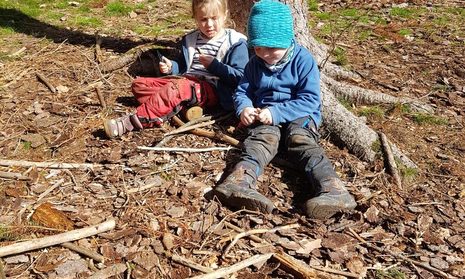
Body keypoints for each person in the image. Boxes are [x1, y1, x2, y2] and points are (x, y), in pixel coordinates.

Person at [212, 0, 357, 219]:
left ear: (287, 40)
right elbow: (242, 91)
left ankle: (333, 189)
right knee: (261, 141)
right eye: (258, 47)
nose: (264, 54)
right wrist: (245, 107)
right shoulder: (254, 63)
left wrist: (277, 113)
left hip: (300, 115)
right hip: (265, 115)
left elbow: (309, 100)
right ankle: (239, 182)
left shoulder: (303, 61)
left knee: (301, 141)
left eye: (271, 48)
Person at [104, 0, 249, 138]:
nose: (209, 24)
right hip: (185, 82)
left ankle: (133, 121)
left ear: (225, 15)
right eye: (203, 19)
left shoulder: (234, 42)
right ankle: (183, 107)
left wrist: (214, 66)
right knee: (139, 86)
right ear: (195, 19)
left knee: (179, 88)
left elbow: (240, 77)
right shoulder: (192, 39)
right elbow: (183, 65)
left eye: (214, 18)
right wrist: (171, 67)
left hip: (213, 89)